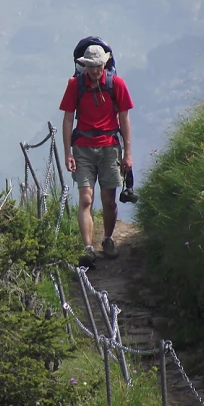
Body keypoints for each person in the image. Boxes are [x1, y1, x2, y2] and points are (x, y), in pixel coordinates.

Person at [59, 41, 134, 267]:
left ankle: (108, 239)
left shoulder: (116, 84)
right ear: (84, 66)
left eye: (98, 66)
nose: (95, 70)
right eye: (91, 66)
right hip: (83, 147)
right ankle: (87, 248)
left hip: (109, 147)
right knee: (86, 199)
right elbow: (67, 118)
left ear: (105, 64)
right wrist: (68, 153)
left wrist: (128, 153)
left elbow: (124, 118)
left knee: (109, 201)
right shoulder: (75, 85)